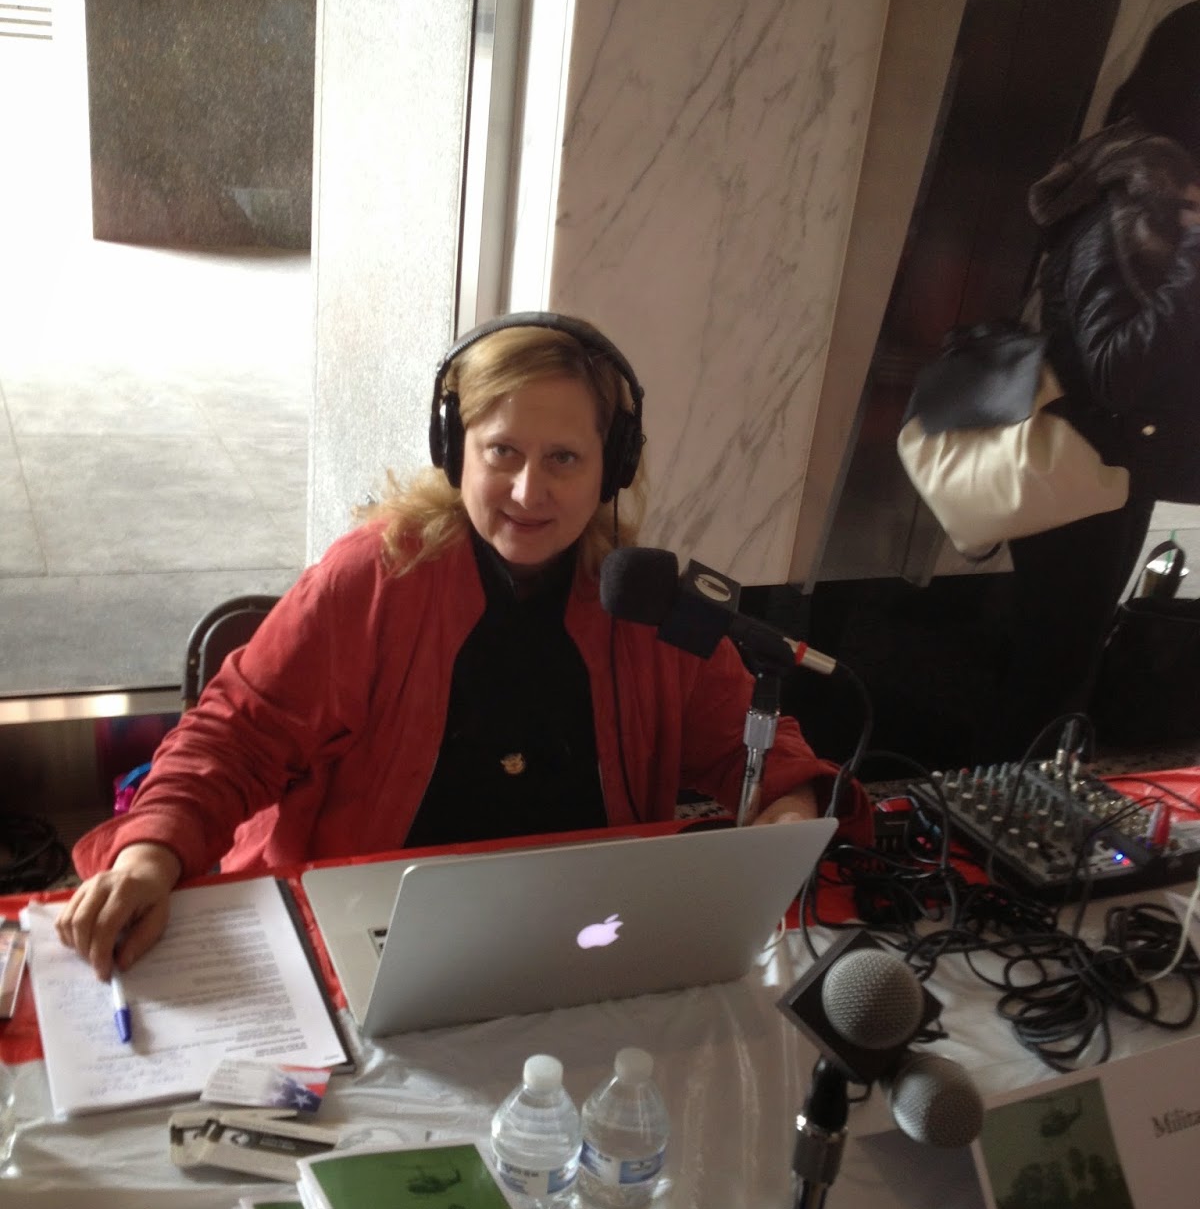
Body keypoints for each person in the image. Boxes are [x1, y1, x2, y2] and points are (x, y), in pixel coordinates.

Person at [59, 313, 866, 978]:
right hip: (371, 940)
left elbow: (748, 740)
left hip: (590, 945)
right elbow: (237, 734)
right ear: (455, 450)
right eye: (502, 452)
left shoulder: (640, 597)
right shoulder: (377, 576)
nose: (528, 491)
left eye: (563, 459)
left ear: (612, 468)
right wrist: (150, 854)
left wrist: (787, 808)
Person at [995, 1, 1200, 758]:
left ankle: (1019, 806)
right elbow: (1115, 367)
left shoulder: (1156, 188)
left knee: (1059, 673)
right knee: (1049, 678)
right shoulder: (1133, 192)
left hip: (1109, 468)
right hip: (1080, 469)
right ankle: (1002, 818)